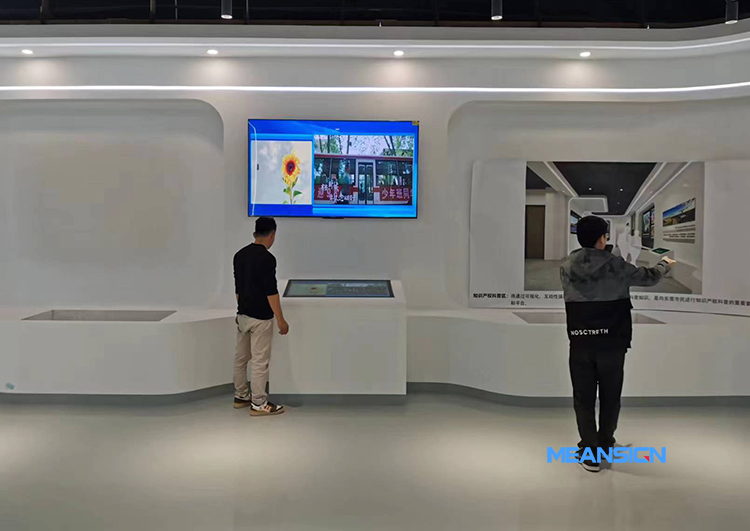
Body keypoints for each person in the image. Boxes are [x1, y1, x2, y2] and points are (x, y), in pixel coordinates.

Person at [560, 215, 675, 473]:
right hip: (612, 342)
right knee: (610, 397)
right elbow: (649, 277)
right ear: (602, 238)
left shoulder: (567, 265)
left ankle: (589, 453)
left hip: (580, 341)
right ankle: (605, 443)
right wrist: (665, 264)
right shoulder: (616, 265)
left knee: (583, 399)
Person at [233, 217, 289, 417]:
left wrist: (241, 309)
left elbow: (238, 289)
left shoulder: (239, 255)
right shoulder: (267, 258)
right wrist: (280, 319)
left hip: (242, 315)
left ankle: (241, 396)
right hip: (260, 318)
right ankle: (258, 403)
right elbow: (271, 292)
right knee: (259, 362)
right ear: (272, 234)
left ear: (255, 233)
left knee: (241, 359)